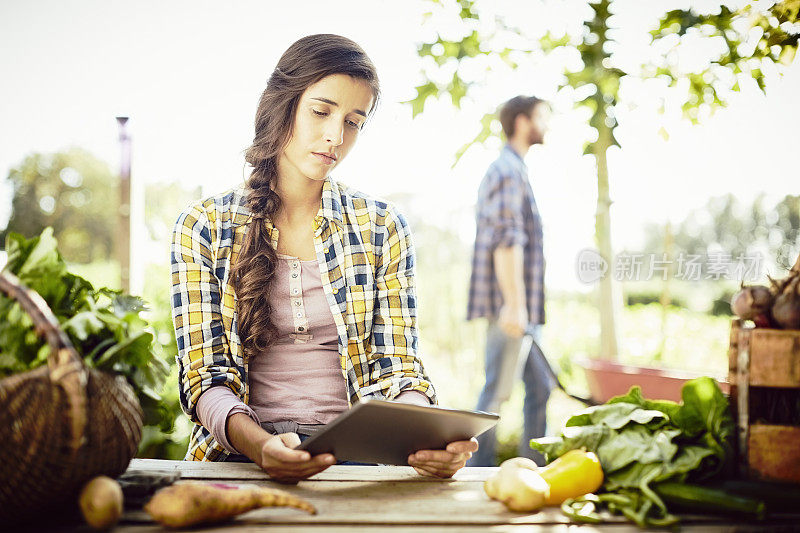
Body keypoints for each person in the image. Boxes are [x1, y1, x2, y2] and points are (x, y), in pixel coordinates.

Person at [170, 34, 477, 481]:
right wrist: (262, 446)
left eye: (354, 122)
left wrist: (422, 432)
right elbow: (205, 377)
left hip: (356, 457)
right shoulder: (202, 226)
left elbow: (398, 365)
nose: (336, 136)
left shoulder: (381, 227)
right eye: (321, 111)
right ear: (283, 104)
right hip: (238, 454)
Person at [465, 95, 554, 466]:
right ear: (522, 121)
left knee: (540, 386)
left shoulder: (515, 169)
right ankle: (472, 471)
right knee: (495, 394)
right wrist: (515, 304)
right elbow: (506, 240)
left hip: (522, 307)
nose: (547, 125)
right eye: (542, 117)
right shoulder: (506, 170)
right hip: (512, 308)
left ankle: (532, 467)